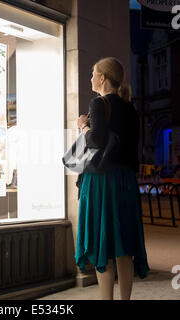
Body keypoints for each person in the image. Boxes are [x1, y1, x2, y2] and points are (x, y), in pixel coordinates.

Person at [75, 57, 150, 300]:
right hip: (126, 182)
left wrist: (83, 127)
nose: (91, 78)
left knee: (102, 243)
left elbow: (95, 140)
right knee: (124, 245)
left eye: (93, 74)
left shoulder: (98, 103)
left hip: (101, 181)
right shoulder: (131, 108)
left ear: (103, 78)